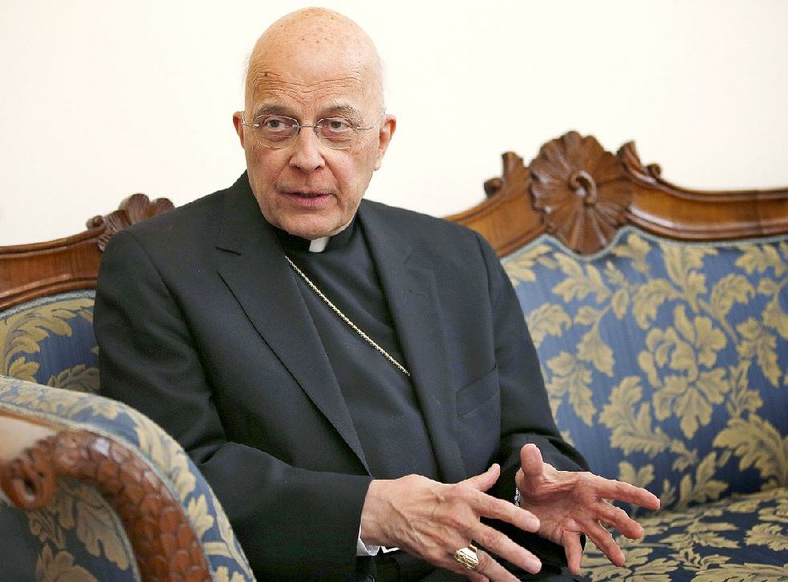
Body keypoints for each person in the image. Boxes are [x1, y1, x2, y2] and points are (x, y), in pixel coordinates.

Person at [94, 8, 659, 581]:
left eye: (337, 124)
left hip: (488, 568)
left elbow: (528, 435)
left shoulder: (459, 258)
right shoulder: (159, 266)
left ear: (381, 139)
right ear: (243, 132)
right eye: (277, 124)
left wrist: (534, 488)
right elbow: (172, 471)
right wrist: (369, 512)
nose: (307, 156)